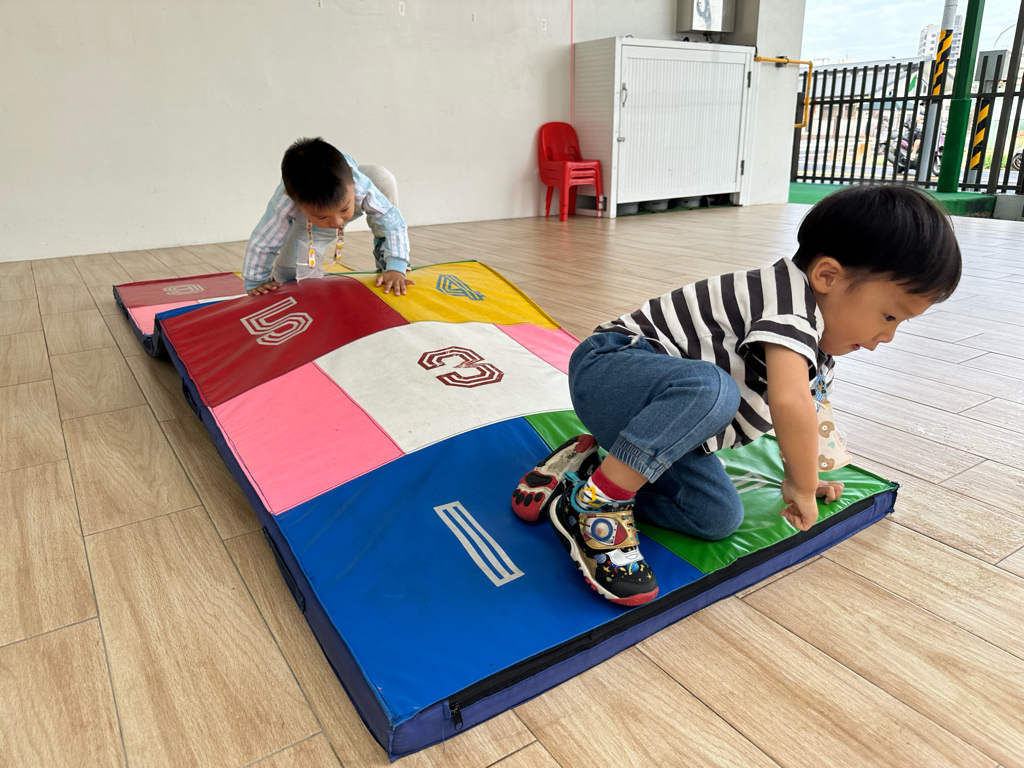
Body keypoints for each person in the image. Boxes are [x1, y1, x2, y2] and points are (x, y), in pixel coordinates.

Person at [511, 184, 961, 607]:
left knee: (717, 517)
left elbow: (808, 410)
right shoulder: (786, 304)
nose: (888, 337)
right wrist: (802, 486)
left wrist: (807, 472)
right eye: (889, 316)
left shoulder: (815, 347)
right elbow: (789, 403)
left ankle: (587, 478)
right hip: (608, 372)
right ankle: (599, 506)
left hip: (653, 428)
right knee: (712, 389)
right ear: (827, 276)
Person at [242, 137, 413, 296]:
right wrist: (256, 281)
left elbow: (393, 222)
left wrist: (396, 267)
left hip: (351, 198)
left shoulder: (358, 184)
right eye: (323, 217)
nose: (337, 222)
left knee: (380, 176)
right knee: (289, 276)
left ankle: (384, 248)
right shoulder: (285, 200)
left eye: (343, 210)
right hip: (308, 225)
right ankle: (325, 217)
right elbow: (265, 239)